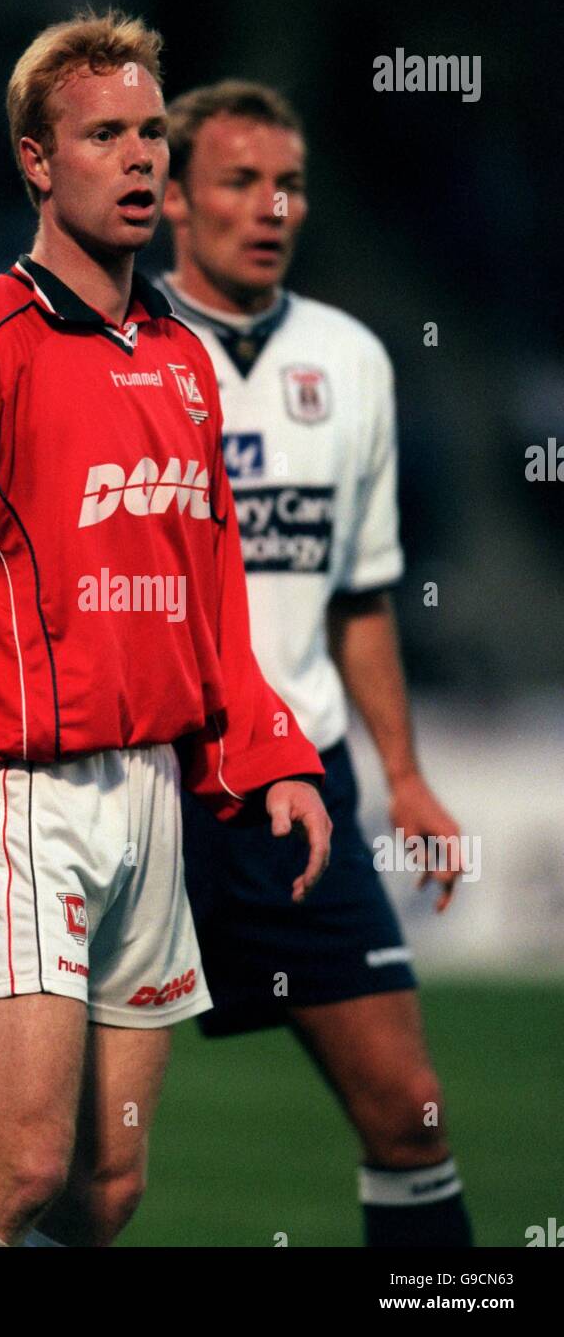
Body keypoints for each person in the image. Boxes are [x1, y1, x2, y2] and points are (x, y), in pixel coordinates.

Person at [0, 18, 331, 1249]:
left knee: (105, 1193)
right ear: (37, 163)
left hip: (144, 798)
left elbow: (207, 592)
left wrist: (268, 751)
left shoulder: (186, 364)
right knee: (23, 1164)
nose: (141, 158)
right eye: (106, 136)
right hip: (11, 797)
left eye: (152, 132)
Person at [158, 79, 473, 1247]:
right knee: (80, 1171)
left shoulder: (349, 360)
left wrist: (402, 772)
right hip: (147, 788)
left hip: (301, 792)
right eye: (238, 181)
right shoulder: (119, 353)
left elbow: (361, 595)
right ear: (175, 201)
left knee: (409, 1114)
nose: (269, 206)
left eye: (286, 183)